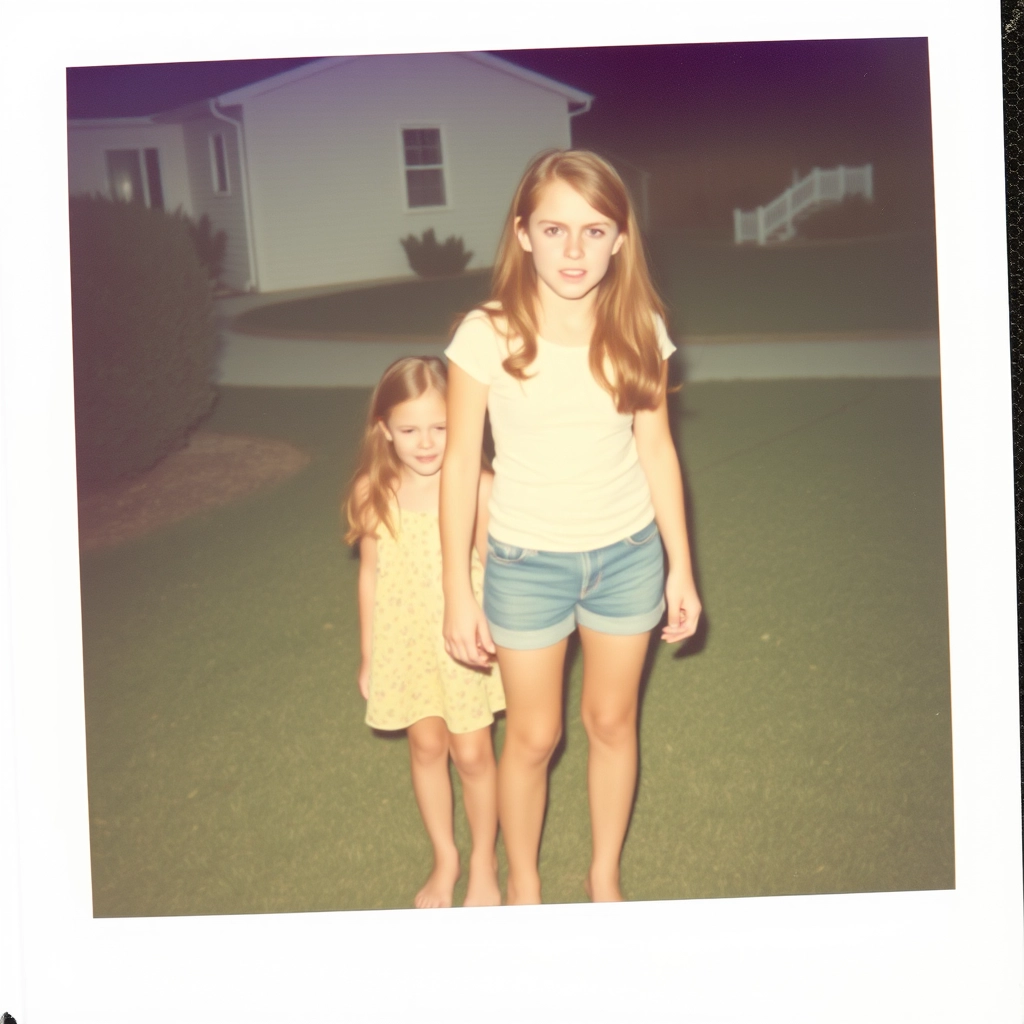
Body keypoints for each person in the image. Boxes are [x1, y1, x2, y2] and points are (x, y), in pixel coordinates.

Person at [440, 150, 701, 905]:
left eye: (595, 230)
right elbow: (461, 465)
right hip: (524, 564)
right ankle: (524, 886)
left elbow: (656, 448)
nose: (575, 250)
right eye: (555, 229)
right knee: (533, 736)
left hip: (626, 557)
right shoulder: (485, 335)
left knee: (612, 722)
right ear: (522, 234)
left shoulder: (638, 327)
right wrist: (459, 590)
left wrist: (680, 567)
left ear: (621, 239)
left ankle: (603, 880)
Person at [344, 356, 504, 908]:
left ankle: (484, 860)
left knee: (473, 755)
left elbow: (495, 570)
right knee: (427, 746)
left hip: (463, 644)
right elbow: (370, 574)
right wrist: (369, 654)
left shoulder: (479, 488)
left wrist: (496, 639)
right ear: (385, 429)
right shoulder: (374, 488)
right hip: (405, 642)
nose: (427, 443)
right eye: (410, 430)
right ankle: (446, 857)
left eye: (440, 427)